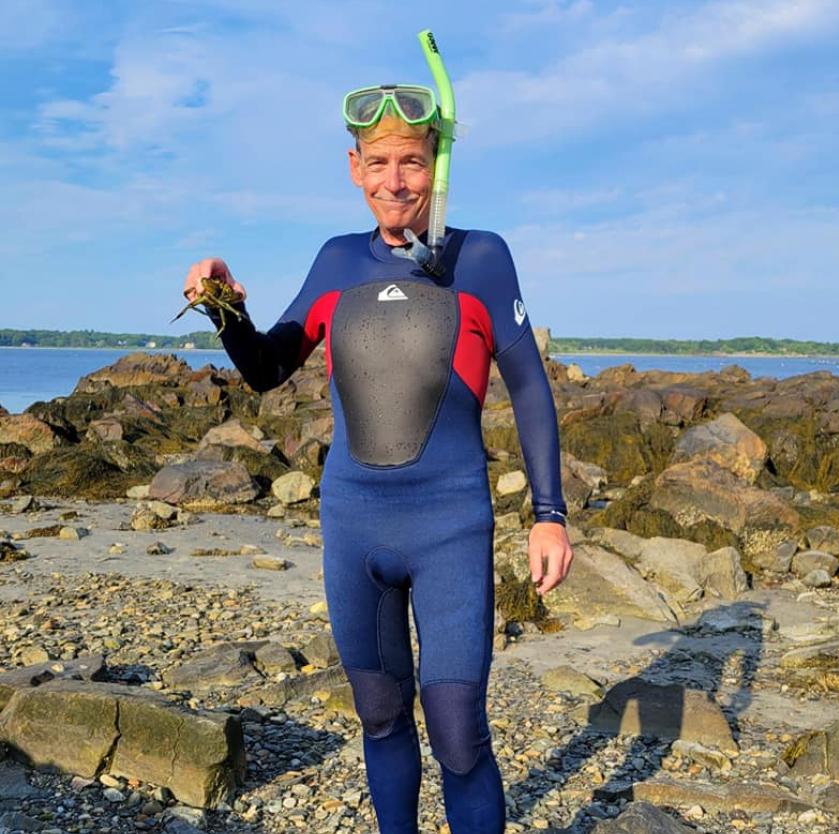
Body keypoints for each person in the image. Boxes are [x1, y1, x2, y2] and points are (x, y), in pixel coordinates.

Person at [182, 85, 573, 834]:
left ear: (439, 164)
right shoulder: (336, 261)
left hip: (450, 527)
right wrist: (226, 308)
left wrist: (549, 516)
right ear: (355, 168)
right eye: (380, 163)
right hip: (354, 525)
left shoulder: (481, 259)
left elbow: (529, 387)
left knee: (457, 733)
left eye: (413, 162)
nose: (395, 181)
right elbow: (267, 367)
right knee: (381, 714)